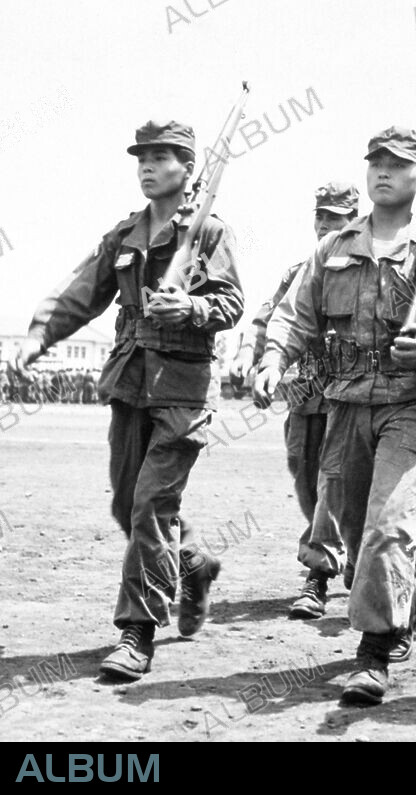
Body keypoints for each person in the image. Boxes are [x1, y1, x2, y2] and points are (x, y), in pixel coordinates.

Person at [16, 119, 244, 680]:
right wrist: (38, 335)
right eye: (142, 156)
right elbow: (82, 293)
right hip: (129, 385)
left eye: (163, 156)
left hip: (182, 394)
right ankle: (193, 562)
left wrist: (189, 309)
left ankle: (136, 631)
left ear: (188, 169)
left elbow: (232, 302)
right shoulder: (125, 235)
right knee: (128, 504)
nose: (148, 165)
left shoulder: (211, 233)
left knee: (150, 507)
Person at [254, 126, 416, 706]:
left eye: (398, 165)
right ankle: (400, 599)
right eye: (375, 162)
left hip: (412, 405)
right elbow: (296, 316)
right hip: (347, 404)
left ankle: (374, 651)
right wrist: (274, 359)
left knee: (388, 526)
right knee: (352, 529)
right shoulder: (334, 248)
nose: (383, 172)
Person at [233, 181, 359, 619]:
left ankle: (318, 575)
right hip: (306, 396)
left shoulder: (362, 269)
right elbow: (266, 320)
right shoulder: (297, 271)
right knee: (305, 480)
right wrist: (251, 358)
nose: (326, 224)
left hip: (349, 394)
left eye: (336, 218)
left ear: (353, 221)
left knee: (332, 482)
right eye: (320, 216)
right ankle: (346, 547)